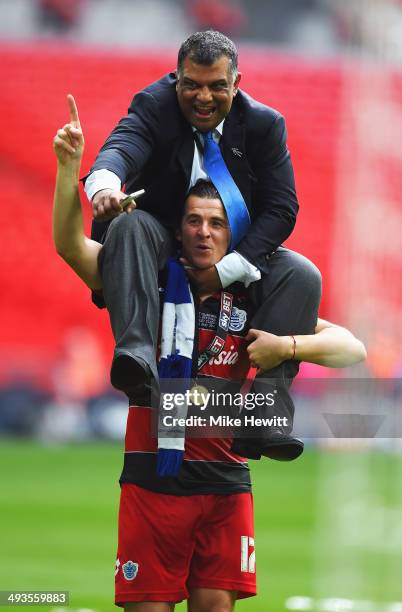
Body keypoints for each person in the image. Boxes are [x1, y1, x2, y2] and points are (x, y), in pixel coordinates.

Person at [53, 96, 366, 611]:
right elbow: (69, 245)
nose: (203, 231)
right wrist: (70, 171)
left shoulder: (254, 297)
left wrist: (286, 345)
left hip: (225, 483)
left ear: (233, 233)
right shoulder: (147, 285)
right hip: (153, 480)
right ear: (178, 229)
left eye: (216, 222)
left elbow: (350, 348)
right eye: (194, 221)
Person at [82, 30, 322, 460]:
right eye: (191, 84)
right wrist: (103, 186)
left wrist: (224, 270)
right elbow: (121, 147)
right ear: (176, 79)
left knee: (302, 274)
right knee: (130, 226)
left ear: (237, 83)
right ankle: (136, 357)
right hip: (162, 246)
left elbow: (282, 210)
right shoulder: (155, 105)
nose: (204, 97)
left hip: (232, 253)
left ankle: (265, 417)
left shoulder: (265, 125)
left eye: (217, 86)